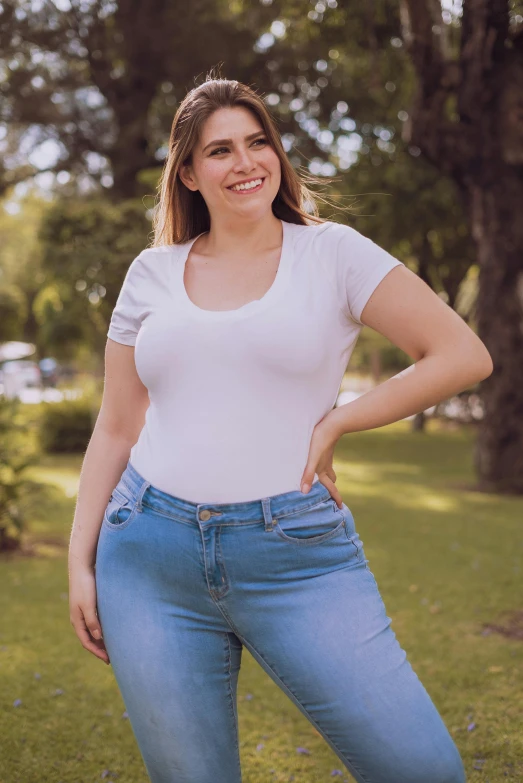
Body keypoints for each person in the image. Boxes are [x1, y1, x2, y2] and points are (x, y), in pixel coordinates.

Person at [69, 76, 492, 783]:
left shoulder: (331, 254)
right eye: (221, 150)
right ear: (189, 172)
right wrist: (79, 564)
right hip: (146, 555)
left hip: (296, 553)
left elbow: (461, 354)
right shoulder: (152, 272)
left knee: (421, 768)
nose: (245, 162)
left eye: (258, 142)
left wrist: (341, 419)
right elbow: (115, 427)